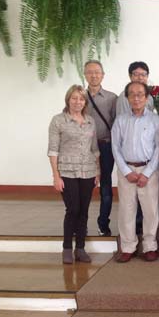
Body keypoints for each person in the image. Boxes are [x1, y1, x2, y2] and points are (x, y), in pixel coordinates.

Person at [47, 85, 99, 264]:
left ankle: (81, 248)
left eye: (81, 99)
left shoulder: (90, 121)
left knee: (84, 211)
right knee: (73, 209)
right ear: (68, 100)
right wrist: (56, 176)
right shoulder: (58, 121)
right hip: (67, 172)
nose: (78, 102)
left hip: (88, 171)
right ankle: (67, 248)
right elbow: (53, 150)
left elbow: (95, 149)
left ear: (85, 102)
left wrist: (97, 172)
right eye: (74, 98)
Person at [111, 82, 159, 263]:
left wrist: (147, 173)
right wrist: (126, 171)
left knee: (150, 210)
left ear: (147, 97)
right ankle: (128, 247)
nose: (136, 98)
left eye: (140, 94)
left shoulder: (155, 120)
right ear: (127, 98)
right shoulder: (121, 120)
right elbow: (115, 147)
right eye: (132, 94)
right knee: (127, 209)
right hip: (127, 171)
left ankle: (150, 246)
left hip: (149, 170)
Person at [83, 60, 117, 237]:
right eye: (90, 72)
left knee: (105, 185)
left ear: (103, 75)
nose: (94, 75)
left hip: (105, 146)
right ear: (85, 75)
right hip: (84, 148)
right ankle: (81, 223)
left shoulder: (112, 98)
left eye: (97, 72)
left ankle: (103, 223)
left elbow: (116, 124)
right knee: (84, 186)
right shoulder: (79, 96)